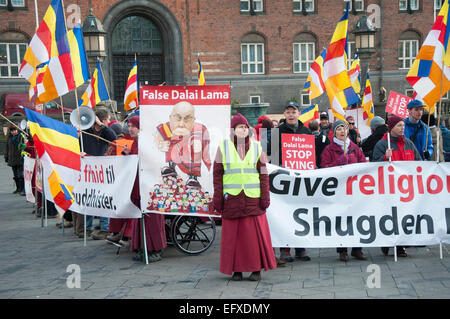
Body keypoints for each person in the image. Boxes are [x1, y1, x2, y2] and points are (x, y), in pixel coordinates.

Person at [213, 113, 276, 281]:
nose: (243, 130)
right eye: (239, 127)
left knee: (253, 238)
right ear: (232, 130)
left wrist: (265, 197)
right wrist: (217, 198)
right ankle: (237, 271)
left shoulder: (257, 147)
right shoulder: (223, 147)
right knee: (234, 238)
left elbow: (263, 174)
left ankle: (256, 270)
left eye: (245, 127)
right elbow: (217, 176)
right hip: (231, 199)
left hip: (252, 199)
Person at [267, 101, 311, 262]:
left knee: (301, 213)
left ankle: (301, 248)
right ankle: (285, 249)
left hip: (301, 179)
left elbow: (312, 155)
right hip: (283, 179)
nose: (291, 115)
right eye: (288, 112)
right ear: (284, 115)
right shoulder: (276, 132)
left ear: (299, 113)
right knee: (284, 214)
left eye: (294, 112)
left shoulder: (306, 131)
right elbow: (271, 154)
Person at [372, 115, 421, 257]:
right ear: (391, 128)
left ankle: (400, 246)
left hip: (407, 189)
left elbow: (418, 161)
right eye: (399, 125)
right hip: (390, 188)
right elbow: (374, 166)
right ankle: (387, 242)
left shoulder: (408, 144)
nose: (402, 128)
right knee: (391, 216)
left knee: (404, 216)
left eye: (403, 125)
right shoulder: (382, 144)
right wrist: (384, 158)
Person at [320, 120, 368, 261]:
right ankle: (342, 250)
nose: (342, 131)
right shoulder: (329, 150)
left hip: (354, 190)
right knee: (341, 220)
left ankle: (357, 249)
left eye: (344, 128)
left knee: (356, 218)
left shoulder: (355, 148)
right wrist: (338, 163)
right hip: (338, 191)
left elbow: (364, 165)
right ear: (334, 132)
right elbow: (324, 168)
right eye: (339, 129)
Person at [127, 116, 167, 262]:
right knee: (141, 218)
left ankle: (157, 249)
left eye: (133, 126)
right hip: (138, 187)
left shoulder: (150, 143)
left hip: (151, 187)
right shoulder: (134, 144)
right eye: (129, 125)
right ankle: (144, 247)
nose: (130, 129)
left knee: (153, 219)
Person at [76, 108, 117, 240]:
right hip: (89, 170)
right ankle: (88, 228)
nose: (110, 121)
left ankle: (105, 227)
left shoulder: (105, 131)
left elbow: (113, 138)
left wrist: (102, 126)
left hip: (103, 170)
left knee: (104, 198)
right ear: (103, 118)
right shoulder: (86, 131)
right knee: (90, 199)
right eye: (108, 119)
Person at [155, 101, 211, 189]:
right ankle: (171, 166)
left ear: (193, 119)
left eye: (187, 119)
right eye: (177, 118)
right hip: (174, 153)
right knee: (171, 146)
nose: (181, 124)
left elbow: (206, 144)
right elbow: (158, 139)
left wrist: (203, 146)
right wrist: (160, 145)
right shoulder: (167, 128)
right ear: (170, 118)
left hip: (189, 155)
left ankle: (193, 177)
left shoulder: (199, 129)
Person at [4, 125, 26, 195]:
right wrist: (6, 156)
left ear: (17, 130)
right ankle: (18, 188)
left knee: (21, 175)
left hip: (20, 158)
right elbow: (7, 148)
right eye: (12, 131)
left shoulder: (21, 137)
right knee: (15, 175)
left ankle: (22, 189)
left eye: (14, 130)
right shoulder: (10, 138)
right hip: (12, 158)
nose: (13, 132)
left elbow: (25, 144)